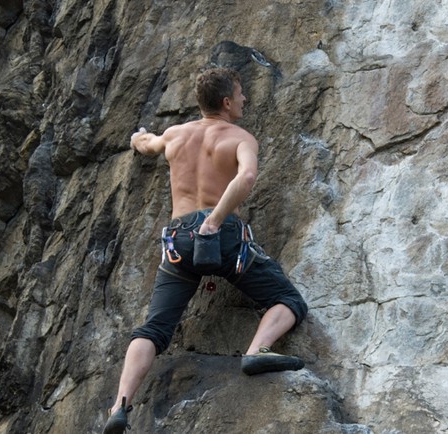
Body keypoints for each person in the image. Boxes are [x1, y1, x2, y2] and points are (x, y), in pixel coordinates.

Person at [102, 67, 308, 434]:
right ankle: (256, 351)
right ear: (227, 102)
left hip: (179, 240)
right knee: (287, 300)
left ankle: (119, 406)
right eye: (241, 94)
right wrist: (214, 220)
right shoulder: (241, 138)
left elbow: (147, 145)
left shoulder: (175, 135)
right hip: (223, 235)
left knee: (153, 328)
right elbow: (245, 178)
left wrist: (137, 137)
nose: (245, 100)